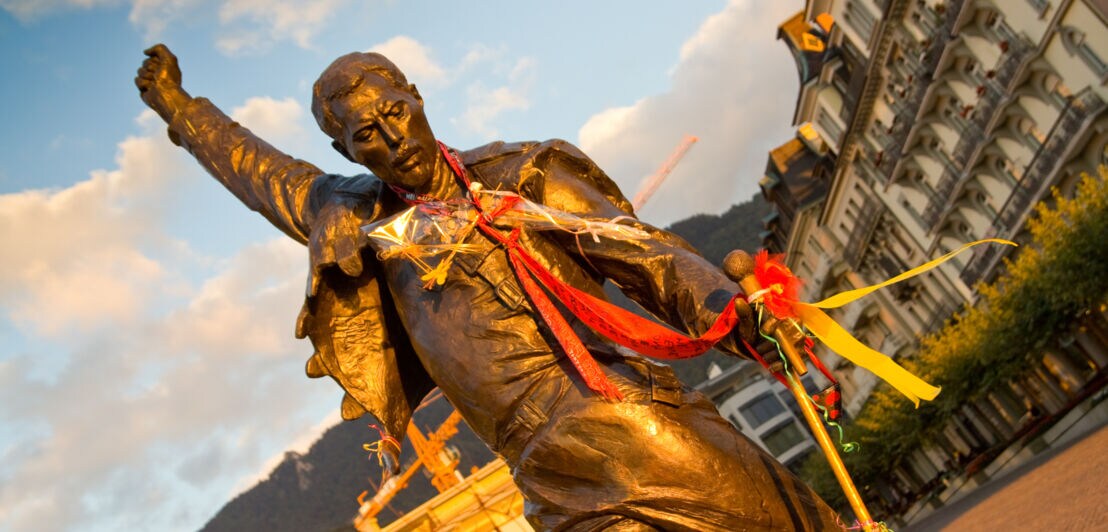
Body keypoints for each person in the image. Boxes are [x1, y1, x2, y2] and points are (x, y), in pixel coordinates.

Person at [136, 44, 843, 531]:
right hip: (545, 474)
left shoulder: (523, 174)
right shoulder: (355, 219)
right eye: (366, 135)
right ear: (344, 151)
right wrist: (180, 109)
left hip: (629, 421)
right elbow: (258, 172)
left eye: (394, 113)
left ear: (415, 96)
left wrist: (731, 311)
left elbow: (644, 254)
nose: (392, 139)